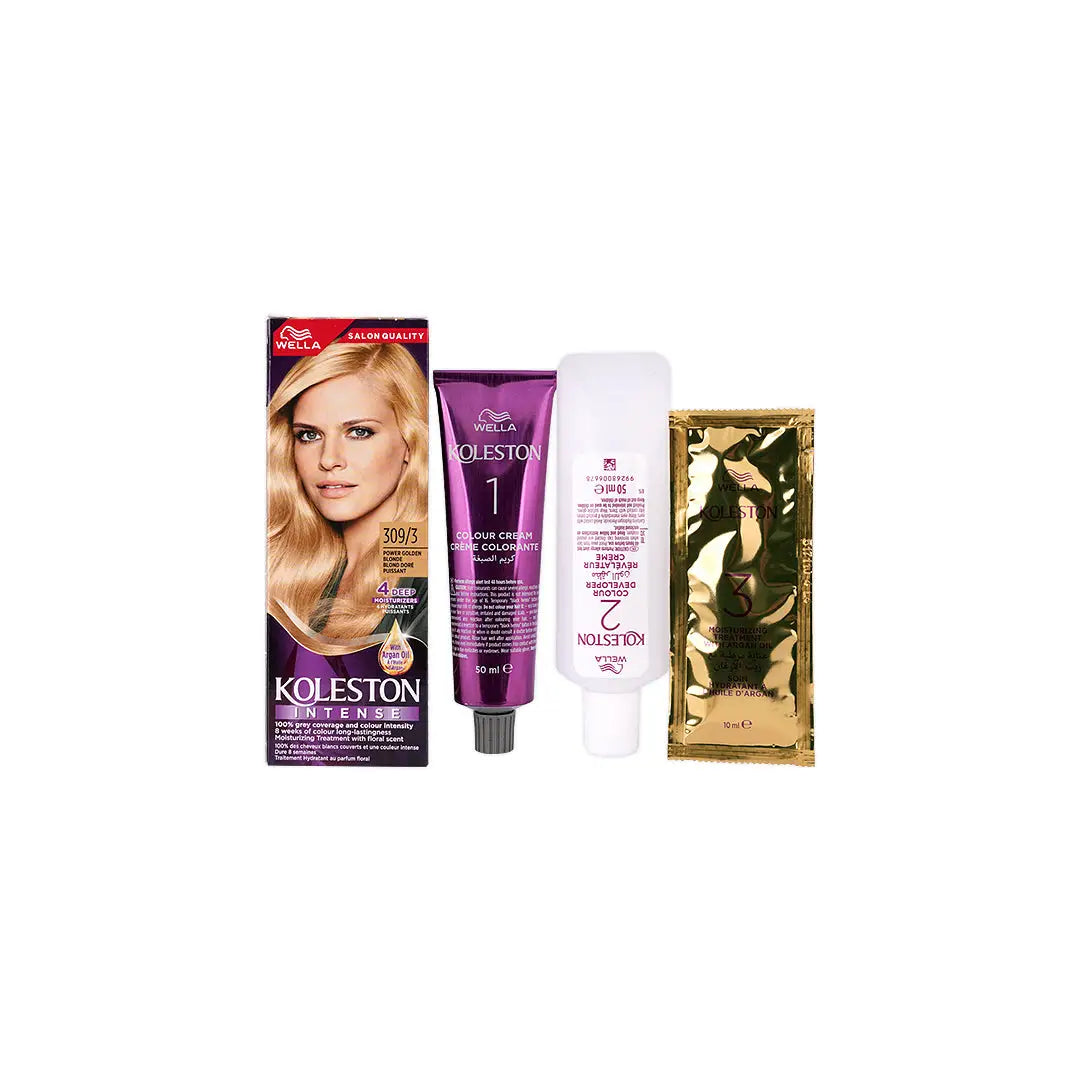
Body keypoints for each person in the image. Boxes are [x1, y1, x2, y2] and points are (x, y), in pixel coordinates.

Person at [267, 342, 427, 653]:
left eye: (359, 432)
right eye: (309, 435)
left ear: (410, 442)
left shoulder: (425, 576)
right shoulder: (286, 568)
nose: (329, 459)